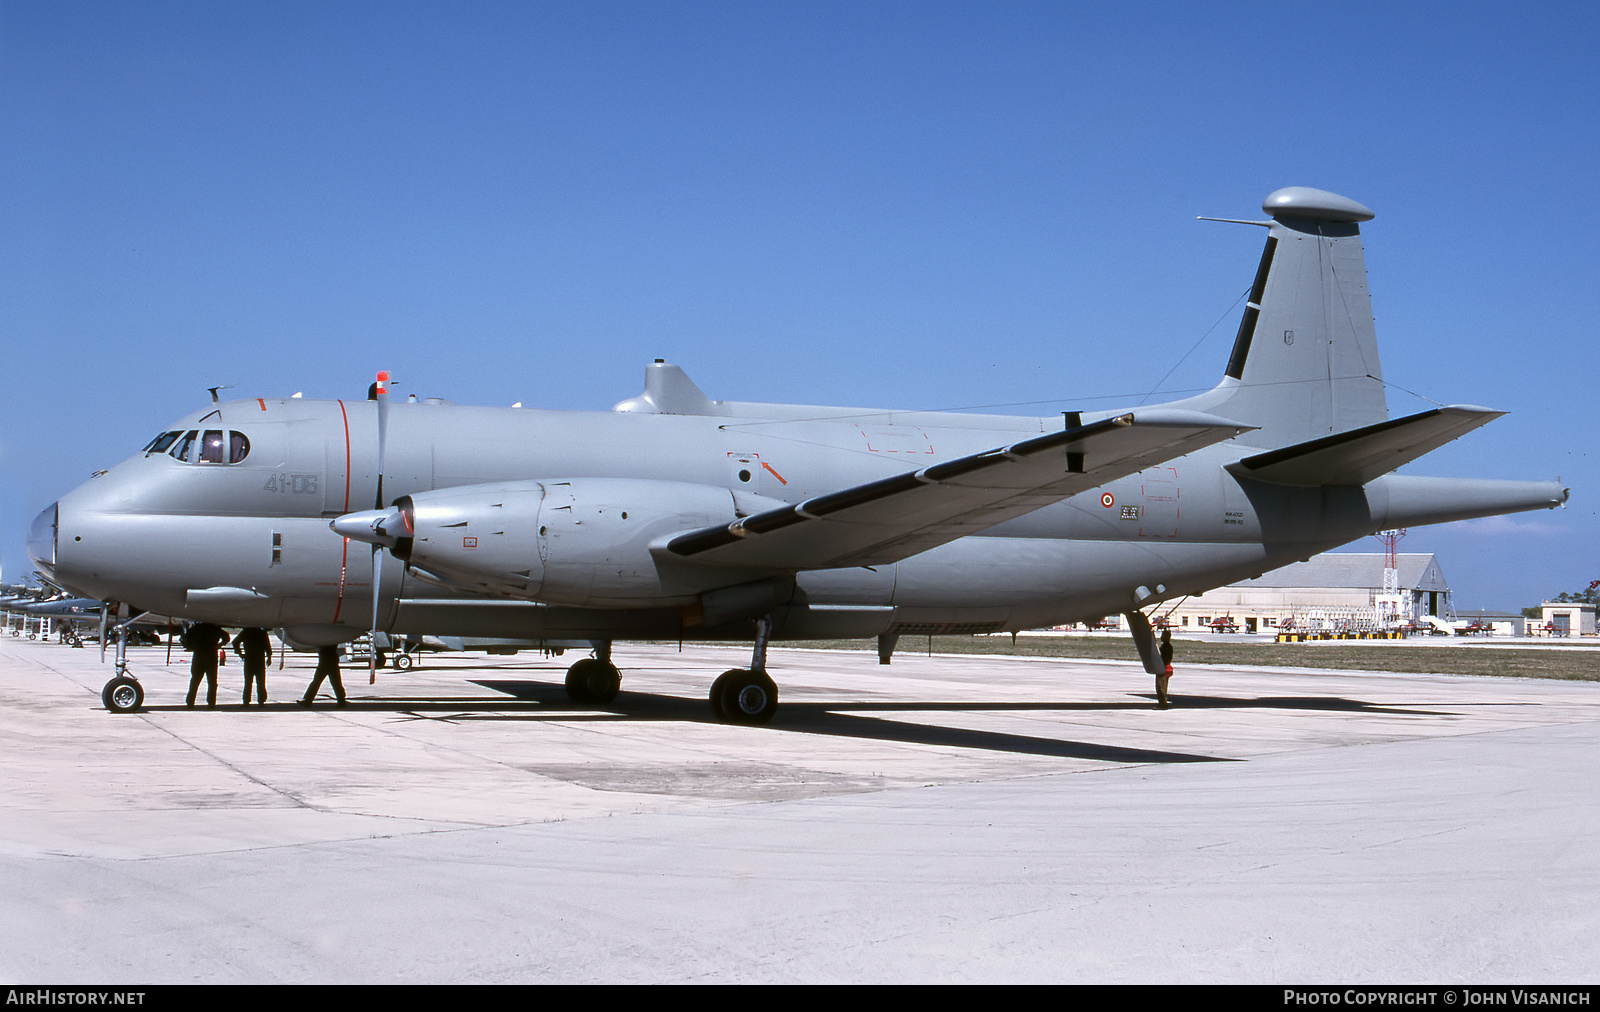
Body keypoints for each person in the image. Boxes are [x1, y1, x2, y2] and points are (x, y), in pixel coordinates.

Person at [182, 622, 230, 708]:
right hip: (211, 655)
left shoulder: (196, 628)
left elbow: (185, 638)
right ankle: (211, 702)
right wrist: (219, 645)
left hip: (199, 655)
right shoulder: (214, 628)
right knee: (212, 682)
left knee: (195, 681)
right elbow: (226, 637)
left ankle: (190, 701)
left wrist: (191, 647)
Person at [233, 627, 272, 705]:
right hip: (259, 659)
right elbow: (267, 646)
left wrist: (240, 653)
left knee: (248, 682)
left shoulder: (246, 632)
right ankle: (261, 700)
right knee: (260, 682)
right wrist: (269, 657)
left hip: (249, 659)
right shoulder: (262, 633)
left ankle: (246, 700)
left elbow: (235, 642)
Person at [1156, 627, 1174, 709]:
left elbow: (1165, 658)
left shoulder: (1166, 647)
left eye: (1163, 636)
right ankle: (1162, 703)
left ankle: (1163, 704)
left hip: (1163, 668)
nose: (1161, 637)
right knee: (1161, 687)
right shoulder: (1166, 646)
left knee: (1161, 687)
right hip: (1164, 668)